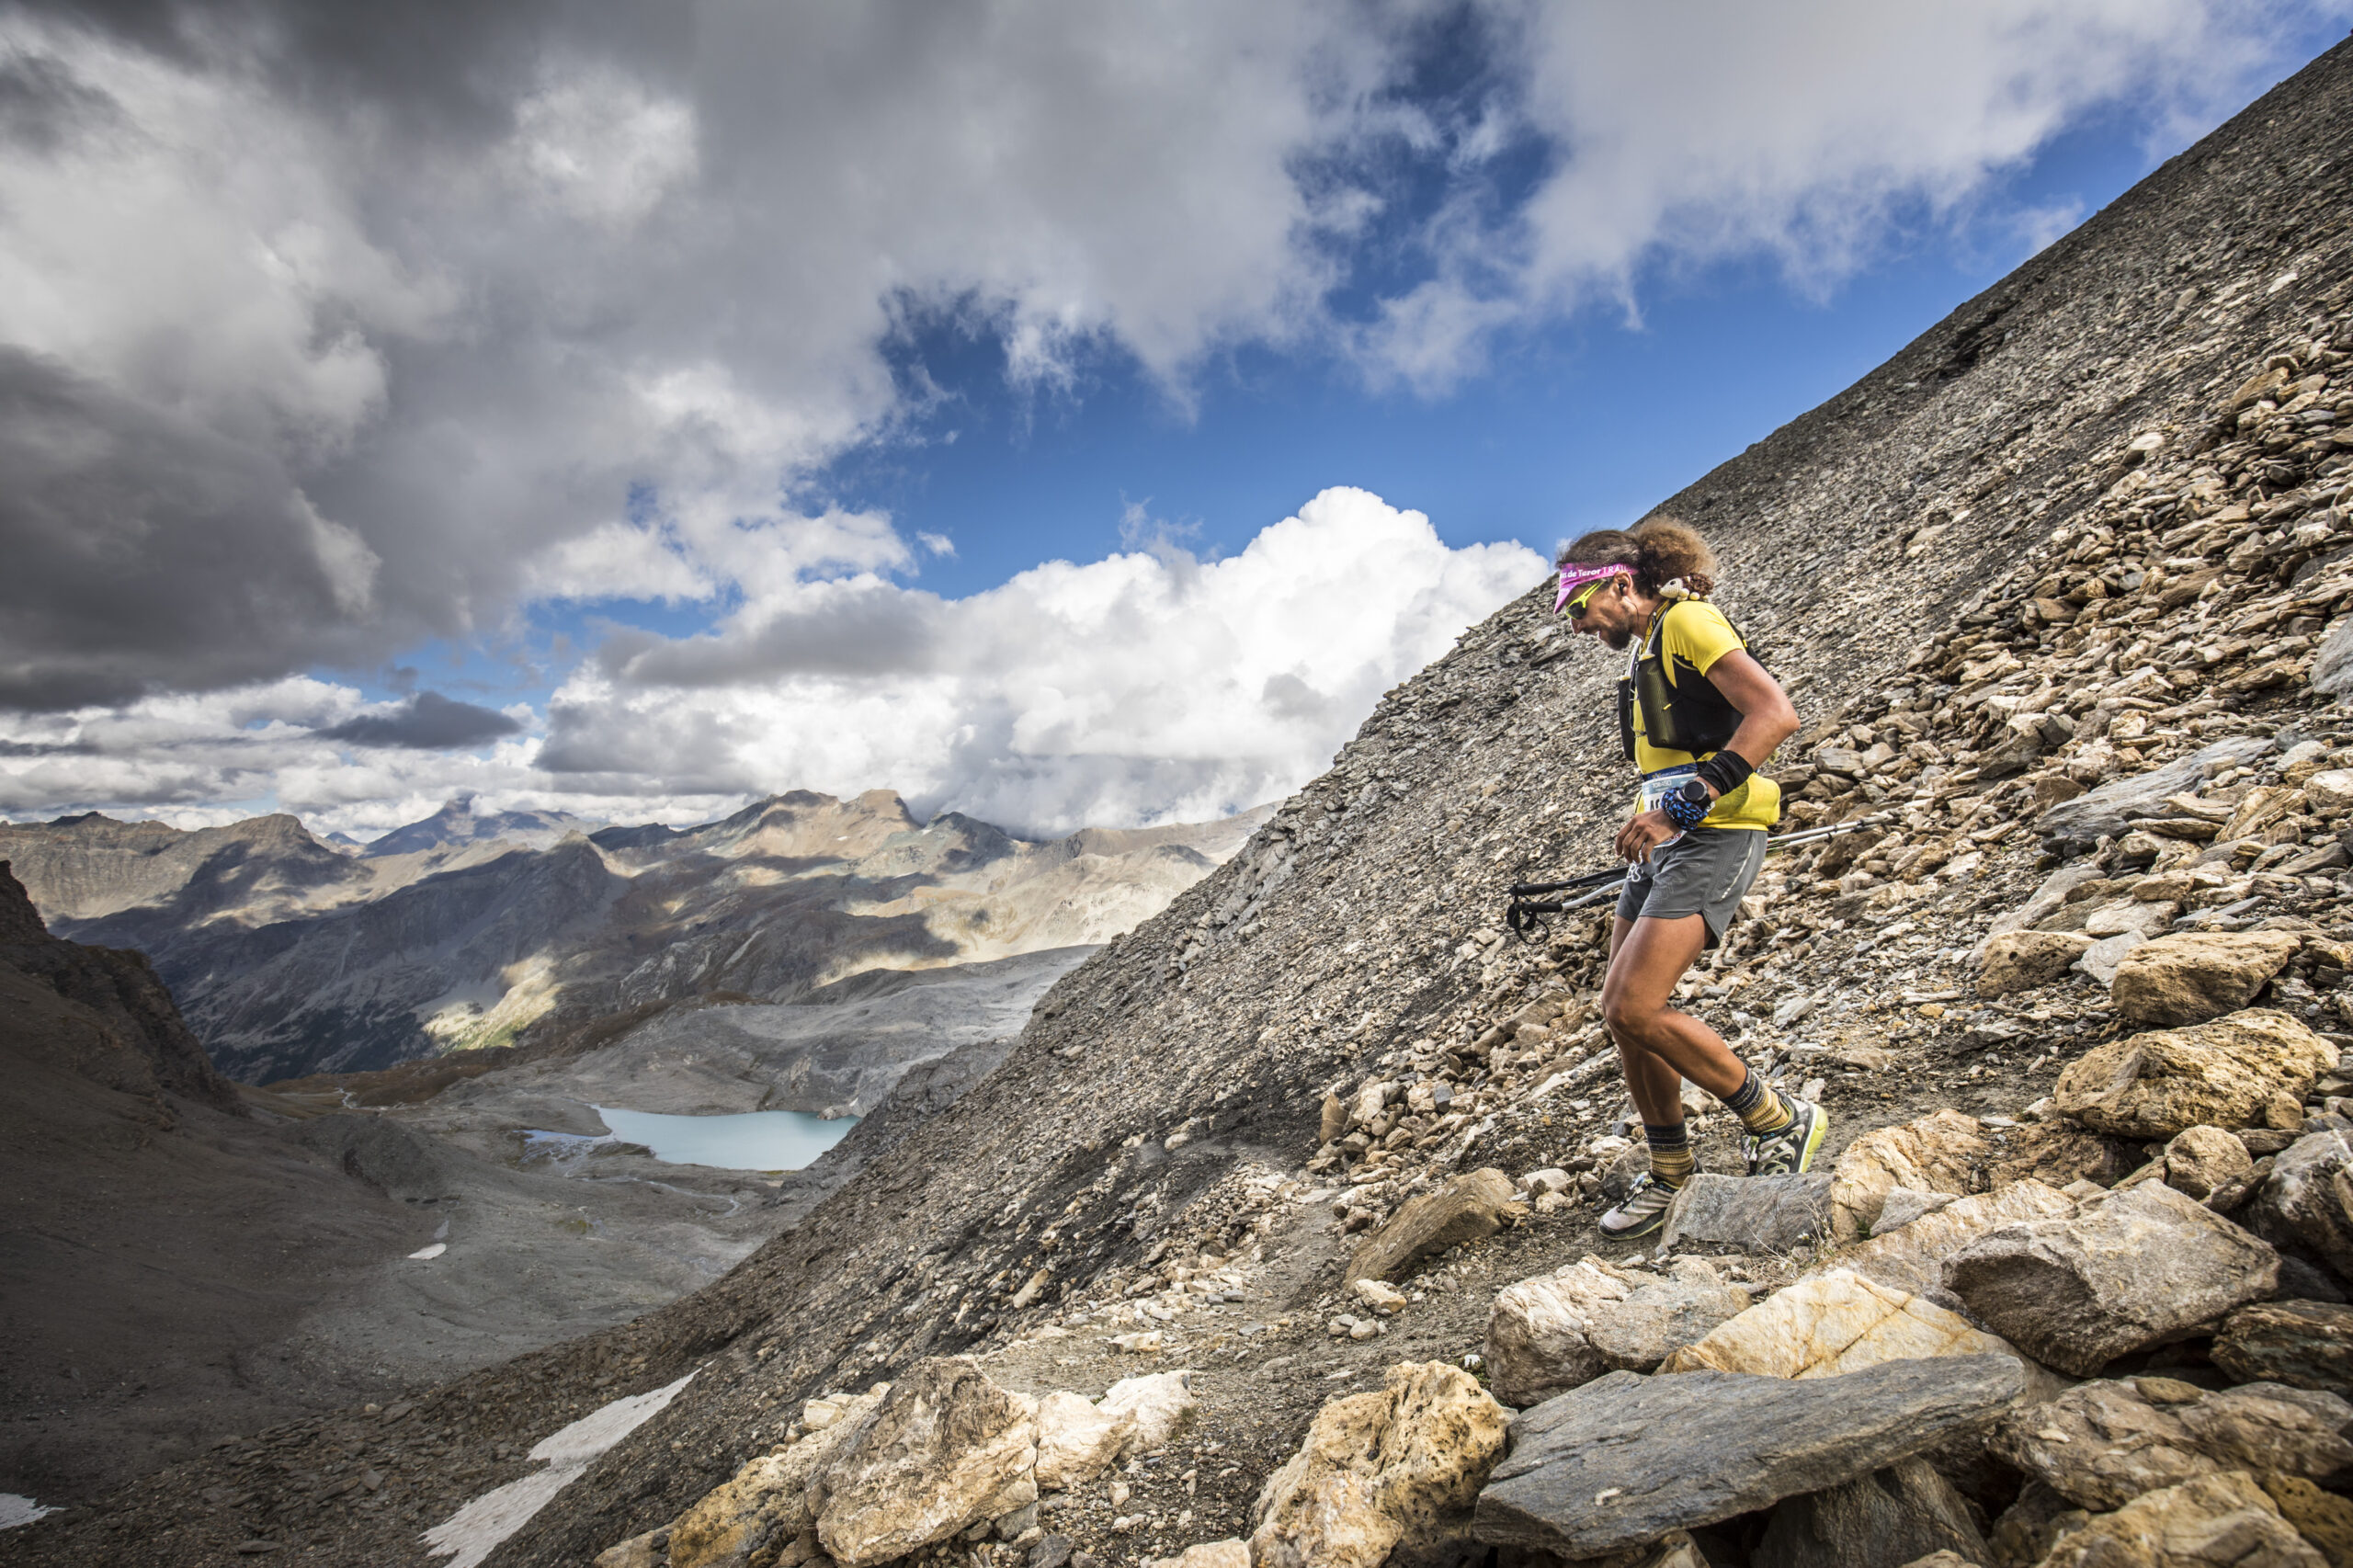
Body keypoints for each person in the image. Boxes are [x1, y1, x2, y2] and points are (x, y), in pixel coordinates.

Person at [1553, 517, 1815, 1240]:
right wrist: (1657, 814)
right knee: (1621, 1013)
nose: (1577, 626)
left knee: (1637, 1006)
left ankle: (1780, 1120)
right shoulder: (1650, 643)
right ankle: (1672, 1170)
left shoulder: (1690, 623)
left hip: (1713, 834)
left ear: (1616, 583)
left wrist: (1680, 806)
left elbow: (1774, 714)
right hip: (1667, 842)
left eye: (1578, 608)